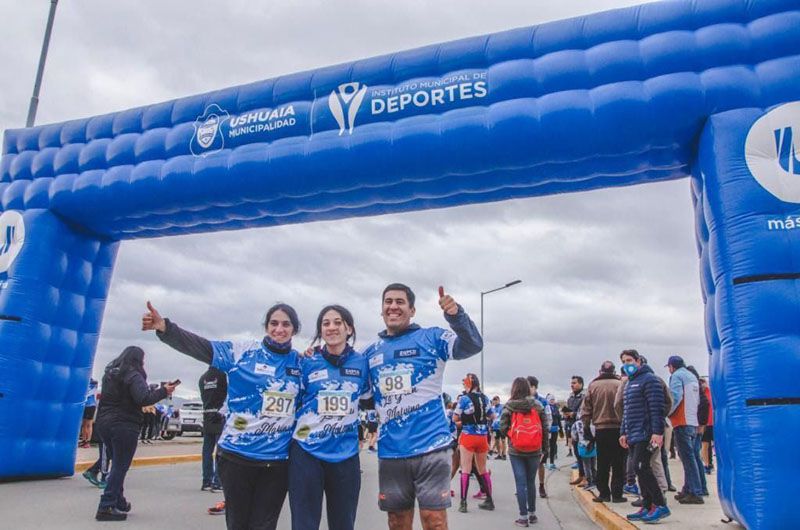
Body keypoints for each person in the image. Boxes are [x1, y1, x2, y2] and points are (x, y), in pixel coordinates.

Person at [143, 301, 302, 530]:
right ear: (266, 327)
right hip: (237, 457)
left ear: (294, 329)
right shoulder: (243, 352)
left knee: (265, 526)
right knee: (238, 523)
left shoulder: (300, 362)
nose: (279, 329)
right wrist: (166, 328)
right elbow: (201, 347)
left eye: (286, 324)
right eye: (274, 323)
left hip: (276, 463)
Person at [364, 283, 482, 530]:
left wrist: (456, 315)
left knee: (434, 522)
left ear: (412, 310)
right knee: (397, 522)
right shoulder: (370, 352)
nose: (393, 306)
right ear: (382, 309)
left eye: (400, 302)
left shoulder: (433, 337)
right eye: (388, 301)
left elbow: (472, 345)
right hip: (392, 452)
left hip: (432, 449)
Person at [289, 305, 371, 530]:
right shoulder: (306, 360)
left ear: (349, 329)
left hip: (346, 455)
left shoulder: (362, 363)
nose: (331, 327)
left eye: (337, 322)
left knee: (343, 524)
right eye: (326, 323)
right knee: (304, 524)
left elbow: (369, 398)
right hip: (307, 453)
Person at [93, 346, 178, 521]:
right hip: (124, 423)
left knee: (116, 462)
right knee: (120, 465)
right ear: (138, 360)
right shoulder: (133, 375)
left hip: (103, 423)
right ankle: (106, 505)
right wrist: (164, 391)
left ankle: (118, 500)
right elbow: (143, 399)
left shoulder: (110, 374)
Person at [619, 349, 670, 524]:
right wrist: (623, 432)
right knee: (637, 468)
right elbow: (626, 411)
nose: (627, 364)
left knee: (642, 467)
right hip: (632, 433)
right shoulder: (629, 384)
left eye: (630, 360)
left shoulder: (650, 380)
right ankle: (647, 505)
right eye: (624, 361)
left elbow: (657, 408)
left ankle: (660, 504)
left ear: (639, 360)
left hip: (646, 433)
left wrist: (657, 432)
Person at [499, 377, 549, 528]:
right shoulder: (538, 405)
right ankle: (532, 514)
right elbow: (545, 428)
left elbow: (502, 427)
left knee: (520, 483)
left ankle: (523, 517)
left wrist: (513, 436)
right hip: (535, 449)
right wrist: (544, 448)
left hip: (516, 450)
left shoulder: (509, 406)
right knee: (530, 482)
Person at [581, 361, 626, 504]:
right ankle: (617, 494)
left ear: (600, 371)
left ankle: (604, 493)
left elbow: (586, 410)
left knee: (602, 463)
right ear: (614, 371)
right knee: (619, 464)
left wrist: (586, 428)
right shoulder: (621, 384)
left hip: (601, 429)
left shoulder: (593, 386)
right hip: (619, 429)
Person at [453, 373, 495, 512]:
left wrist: (464, 419)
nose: (464, 385)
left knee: (465, 469)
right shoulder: (485, 398)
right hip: (482, 437)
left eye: (465, 383)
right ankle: (489, 500)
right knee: (483, 469)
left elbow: (455, 418)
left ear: (470, 384)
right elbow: (492, 415)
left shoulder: (464, 399)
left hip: (468, 436)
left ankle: (463, 503)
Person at [666, 355, 704, 505]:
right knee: (692, 457)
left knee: (687, 459)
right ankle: (688, 489)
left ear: (671, 366)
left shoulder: (677, 376)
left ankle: (695, 491)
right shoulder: (692, 377)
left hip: (681, 421)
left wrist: (667, 413)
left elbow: (675, 396)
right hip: (692, 420)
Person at [199, 365, 227, 492]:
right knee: (220, 451)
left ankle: (206, 481)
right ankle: (217, 482)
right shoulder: (222, 376)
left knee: (207, 450)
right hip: (219, 415)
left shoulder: (202, 378)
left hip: (207, 415)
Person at [526, 376, 551, 499]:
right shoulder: (521, 401)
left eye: (529, 386)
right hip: (525, 437)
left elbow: (548, 420)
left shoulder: (543, 402)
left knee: (540, 463)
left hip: (539, 437)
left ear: (535, 387)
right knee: (525, 462)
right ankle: (524, 485)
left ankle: (541, 485)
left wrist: (545, 435)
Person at [687, 365, 710, 496]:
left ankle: (700, 487)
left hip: (696, 427)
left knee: (694, 456)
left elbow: (704, 405)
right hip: (696, 426)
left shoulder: (696, 391)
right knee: (695, 456)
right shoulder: (697, 389)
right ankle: (700, 486)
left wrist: (701, 425)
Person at [565, 376, 586, 485]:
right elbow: (568, 412)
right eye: (571, 383)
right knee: (577, 454)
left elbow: (585, 412)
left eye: (574, 383)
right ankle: (581, 475)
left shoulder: (585, 396)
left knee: (584, 454)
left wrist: (573, 414)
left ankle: (587, 477)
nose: (572, 385)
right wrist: (567, 414)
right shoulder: (570, 398)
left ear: (581, 384)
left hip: (582, 429)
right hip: (572, 427)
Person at [571, 418, 596, 490]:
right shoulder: (593, 421)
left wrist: (580, 439)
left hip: (583, 445)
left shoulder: (576, 424)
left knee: (586, 466)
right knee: (593, 465)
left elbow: (574, 436)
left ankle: (589, 482)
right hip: (593, 445)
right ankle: (595, 481)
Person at [700, 377, 714, 474]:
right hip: (705, 423)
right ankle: (707, 464)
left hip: (713, 422)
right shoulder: (699, 394)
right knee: (705, 444)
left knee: (709, 444)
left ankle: (709, 464)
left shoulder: (711, 392)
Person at [80, 378, 98, 448]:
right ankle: (84, 440)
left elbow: (96, 382)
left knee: (89, 424)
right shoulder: (84, 382)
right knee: (84, 424)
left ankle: (88, 441)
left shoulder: (93, 382)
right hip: (85, 405)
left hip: (91, 405)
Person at [546, 394, 562, 470]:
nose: (552, 401)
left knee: (553, 445)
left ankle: (552, 463)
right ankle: (544, 462)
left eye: (553, 399)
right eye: (551, 399)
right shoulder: (546, 407)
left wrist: (561, 429)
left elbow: (559, 418)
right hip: (548, 429)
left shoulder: (556, 407)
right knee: (546, 446)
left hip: (555, 428)